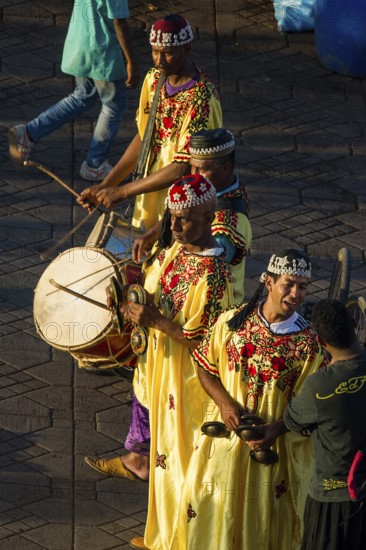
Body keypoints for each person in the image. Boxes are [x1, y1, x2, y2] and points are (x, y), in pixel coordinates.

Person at [84, 174, 234, 550]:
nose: (175, 226)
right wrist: (123, 297)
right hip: (161, 371)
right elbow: (149, 292)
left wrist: (156, 322)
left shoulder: (213, 275)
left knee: (183, 462)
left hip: (188, 382)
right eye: (172, 217)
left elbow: (204, 339)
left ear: (209, 215)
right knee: (162, 459)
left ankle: (185, 540)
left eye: (185, 219)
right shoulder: (175, 249)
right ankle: (165, 534)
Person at [177, 249, 327, 550]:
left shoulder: (310, 343)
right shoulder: (232, 322)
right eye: (289, 284)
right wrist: (224, 403)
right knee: (212, 510)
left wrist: (276, 429)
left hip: (275, 453)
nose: (296, 293)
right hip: (224, 448)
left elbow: (313, 405)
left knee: (263, 525)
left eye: (303, 287)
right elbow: (205, 367)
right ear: (268, 282)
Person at [78, 14, 223, 231]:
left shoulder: (201, 99)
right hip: (148, 193)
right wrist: (106, 185)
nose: (159, 60)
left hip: (184, 204)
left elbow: (181, 167)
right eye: (155, 52)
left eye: (167, 53)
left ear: (186, 49)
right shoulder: (153, 79)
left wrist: (124, 191)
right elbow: (145, 138)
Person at [259, 299, 366, 550]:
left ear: (321, 342)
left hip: (333, 502)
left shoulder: (320, 386)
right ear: (354, 324)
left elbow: (292, 419)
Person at [8, 0, 139, 181]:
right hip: (102, 54)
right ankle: (95, 164)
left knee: (82, 97)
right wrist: (132, 60)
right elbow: (119, 22)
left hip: (80, 45)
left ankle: (28, 133)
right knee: (114, 106)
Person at [132, 128, 252, 303]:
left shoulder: (225, 228)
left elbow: (197, 283)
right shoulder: (220, 188)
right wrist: (153, 234)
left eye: (202, 170)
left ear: (225, 168)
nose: (194, 176)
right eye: (192, 168)